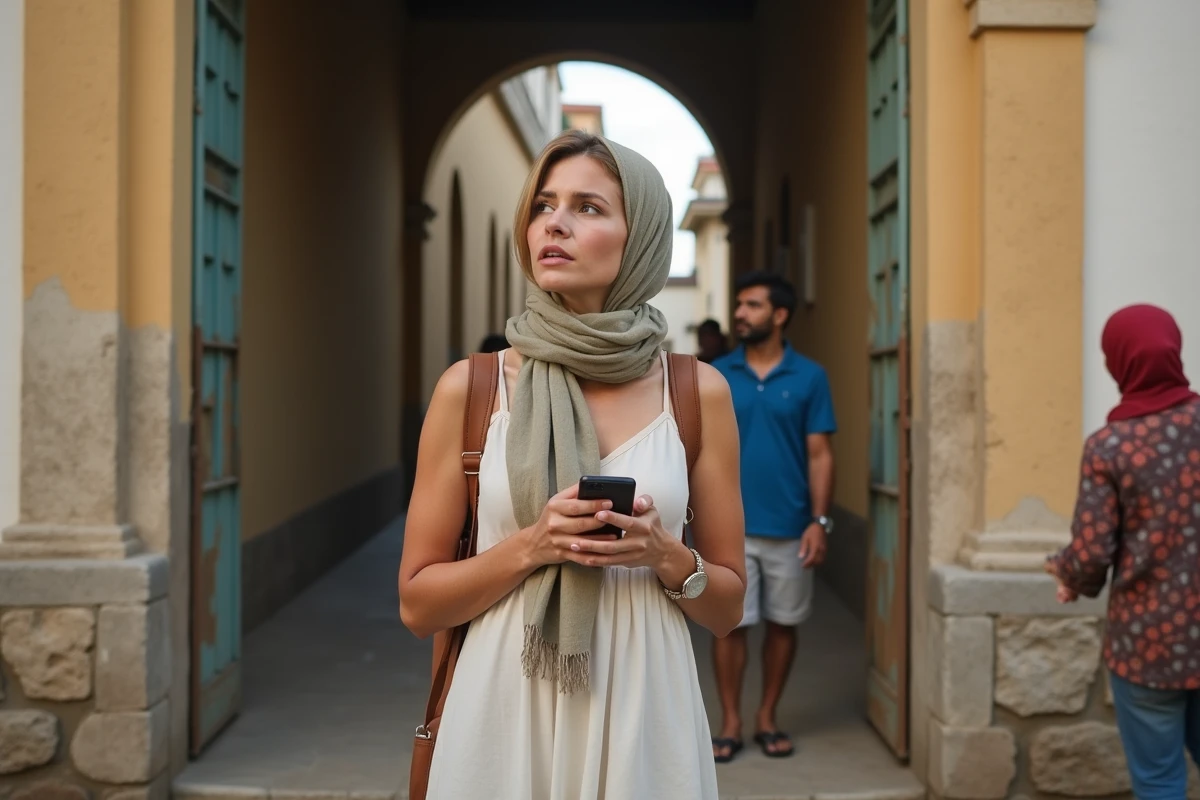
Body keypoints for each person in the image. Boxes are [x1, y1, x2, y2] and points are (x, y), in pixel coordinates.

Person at [398, 130, 747, 800]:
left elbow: (728, 608)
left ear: (638, 235)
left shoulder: (697, 393)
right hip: (502, 711)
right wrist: (534, 545)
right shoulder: (470, 389)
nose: (553, 222)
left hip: (647, 717)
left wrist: (665, 553)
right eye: (543, 205)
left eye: (588, 207)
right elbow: (418, 605)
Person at [1045, 304, 1200, 800]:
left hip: (1146, 645)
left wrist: (1068, 574)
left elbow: (1091, 552)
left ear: (1118, 362)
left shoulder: (1110, 446)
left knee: (1159, 782)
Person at [709, 271, 836, 761]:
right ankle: (732, 722)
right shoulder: (717, 372)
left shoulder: (809, 377)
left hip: (790, 526)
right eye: (739, 304)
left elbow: (821, 454)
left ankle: (767, 716)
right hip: (729, 528)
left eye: (753, 305)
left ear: (780, 315)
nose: (740, 313)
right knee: (731, 626)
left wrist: (818, 521)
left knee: (783, 625)